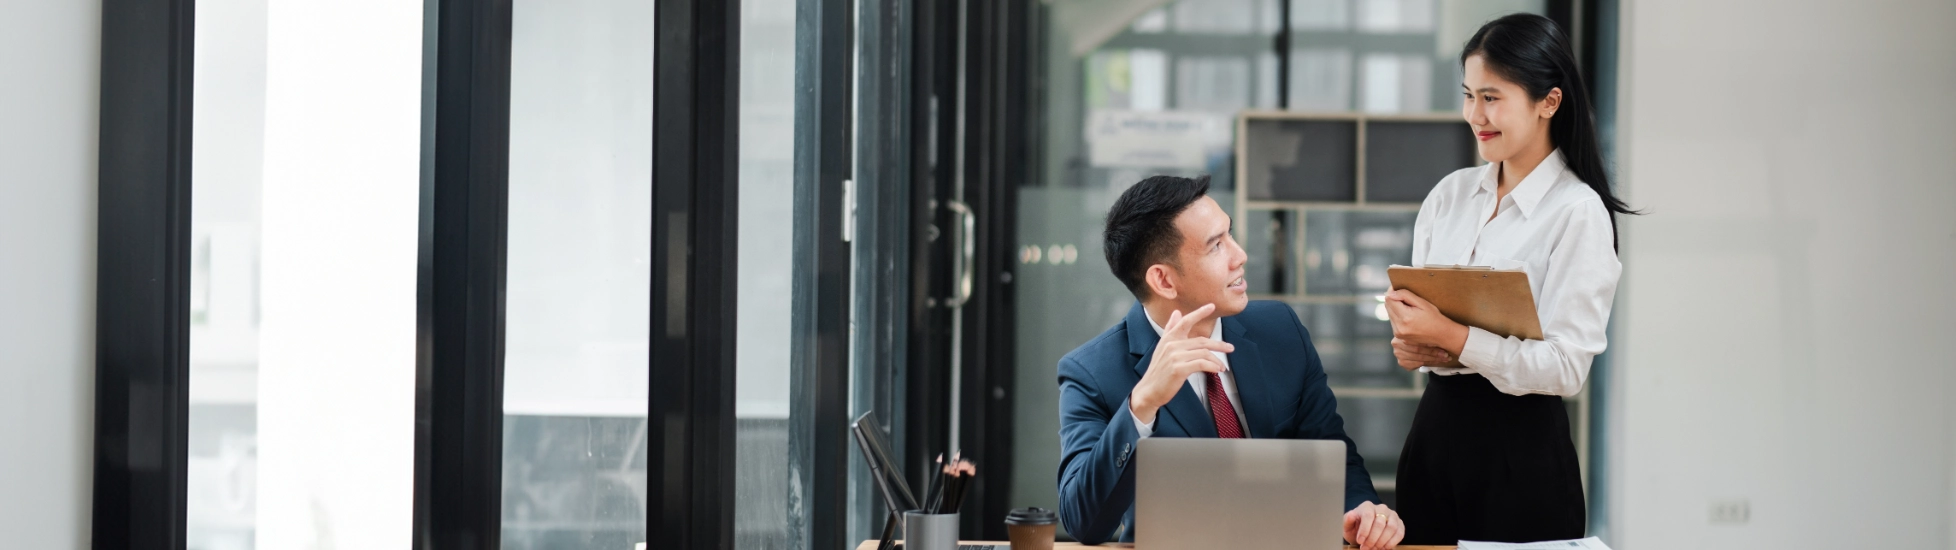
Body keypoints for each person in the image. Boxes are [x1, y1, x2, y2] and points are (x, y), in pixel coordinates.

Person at [1382, 13, 1636, 544]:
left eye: (1492, 97)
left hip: (1520, 459)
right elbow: (1418, 329)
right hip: (1432, 441)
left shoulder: (1576, 212)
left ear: (1549, 101)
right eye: (1469, 95)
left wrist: (1452, 337)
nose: (1476, 115)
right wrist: (1413, 344)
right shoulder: (1448, 195)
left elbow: (1567, 368)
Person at [1055, 175, 1402, 549]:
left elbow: (1334, 457)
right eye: (1216, 246)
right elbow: (1084, 523)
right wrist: (1142, 405)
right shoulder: (1092, 373)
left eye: (1230, 235)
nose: (1240, 256)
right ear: (1164, 280)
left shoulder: (1280, 331)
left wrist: (1364, 511)